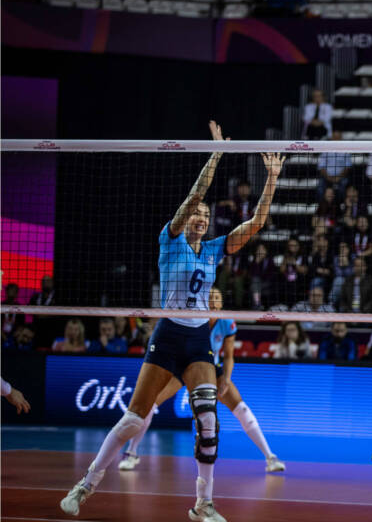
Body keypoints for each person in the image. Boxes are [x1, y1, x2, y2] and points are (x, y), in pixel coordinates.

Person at [60, 121, 284, 522]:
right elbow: (195, 194)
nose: (201, 216)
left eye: (205, 214)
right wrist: (216, 155)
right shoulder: (171, 238)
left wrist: (272, 180)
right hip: (167, 336)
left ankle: (203, 503)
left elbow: (256, 224)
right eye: (196, 213)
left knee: (209, 420)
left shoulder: (214, 250)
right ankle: (86, 483)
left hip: (198, 342)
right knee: (134, 418)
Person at [118, 288, 285, 474]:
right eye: (209, 297)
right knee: (149, 405)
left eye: (216, 297)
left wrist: (226, 378)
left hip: (209, 368)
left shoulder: (227, 322)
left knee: (241, 408)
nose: (212, 300)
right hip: (179, 366)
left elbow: (229, 356)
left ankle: (270, 457)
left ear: (221, 303)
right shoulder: (191, 317)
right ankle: (131, 452)